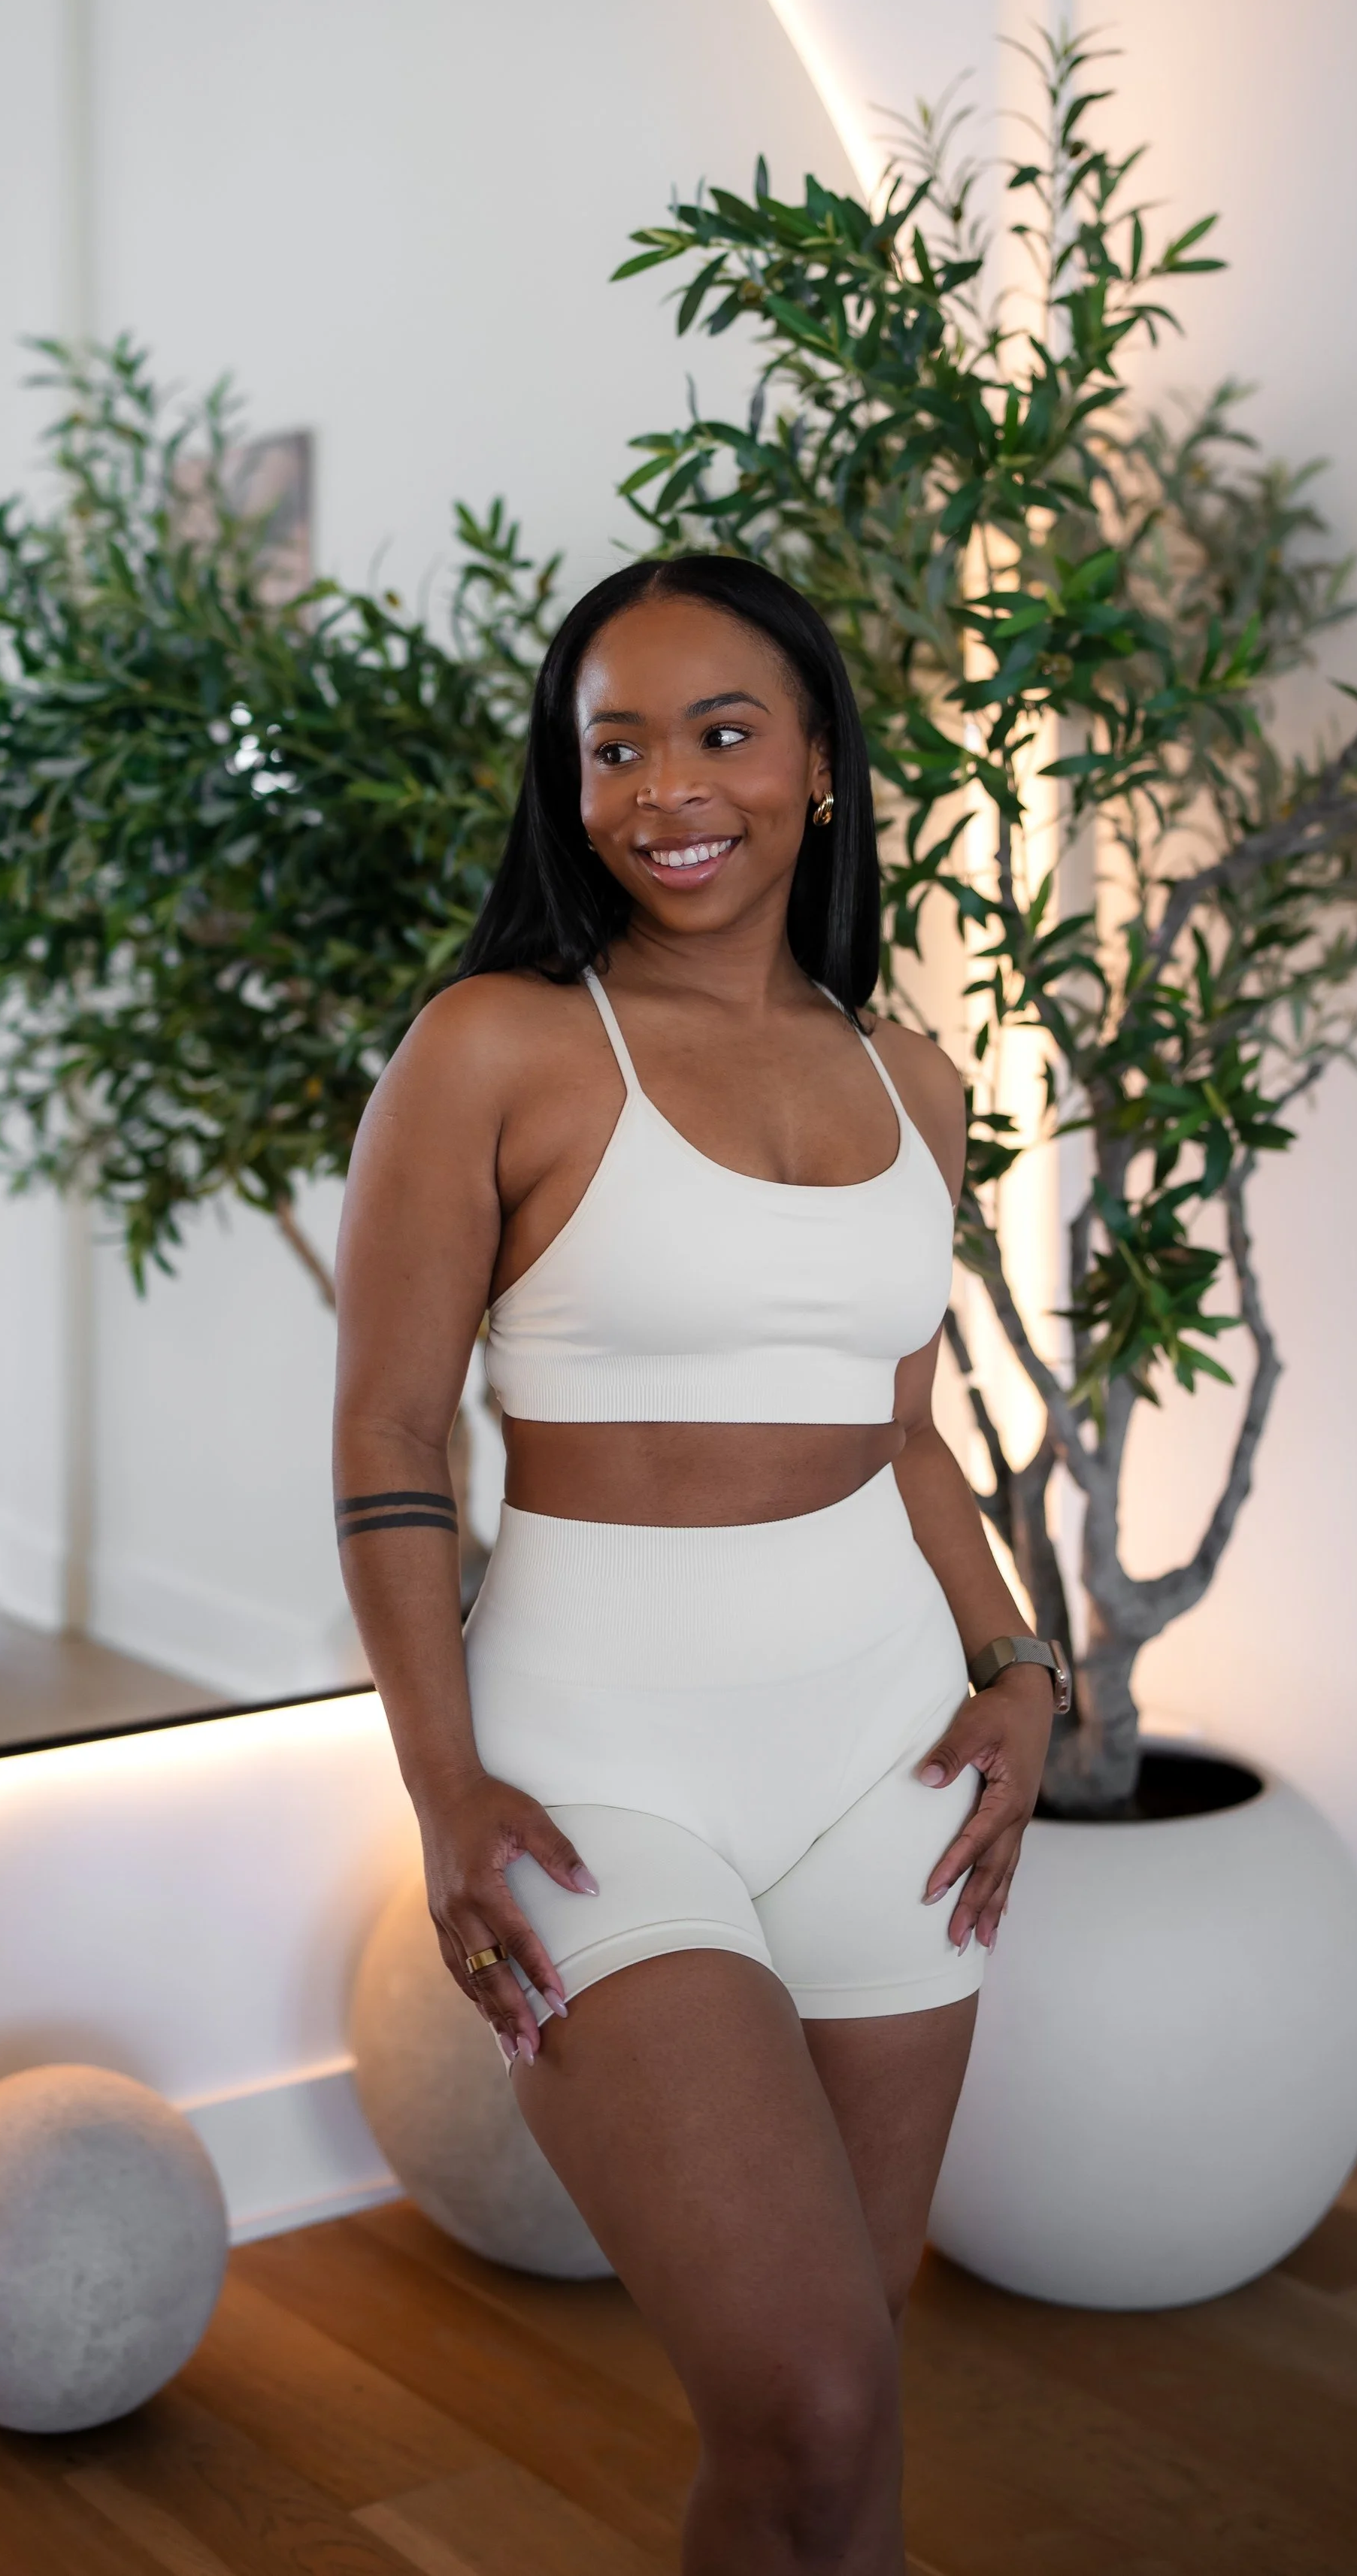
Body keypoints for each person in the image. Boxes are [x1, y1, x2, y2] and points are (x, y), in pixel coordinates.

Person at [333, 555, 1065, 2576]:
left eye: (721, 732)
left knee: (854, 2388)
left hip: (882, 1754)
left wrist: (1020, 1668)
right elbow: (388, 1441)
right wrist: (444, 1790)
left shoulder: (913, 1080)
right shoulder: (496, 1046)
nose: (667, 787)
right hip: (596, 1769)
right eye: (615, 746)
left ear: (817, 761)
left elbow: (900, 1434)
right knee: (801, 2394)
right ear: (567, 785)